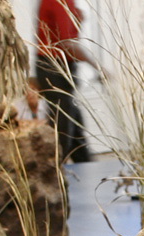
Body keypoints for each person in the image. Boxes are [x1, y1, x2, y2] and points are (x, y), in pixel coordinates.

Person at [36, 0, 99, 162]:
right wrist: (97, 67)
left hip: (60, 66)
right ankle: (52, 171)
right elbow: (66, 43)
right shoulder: (60, 1)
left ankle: (87, 166)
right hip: (55, 67)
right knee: (62, 132)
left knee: (76, 133)